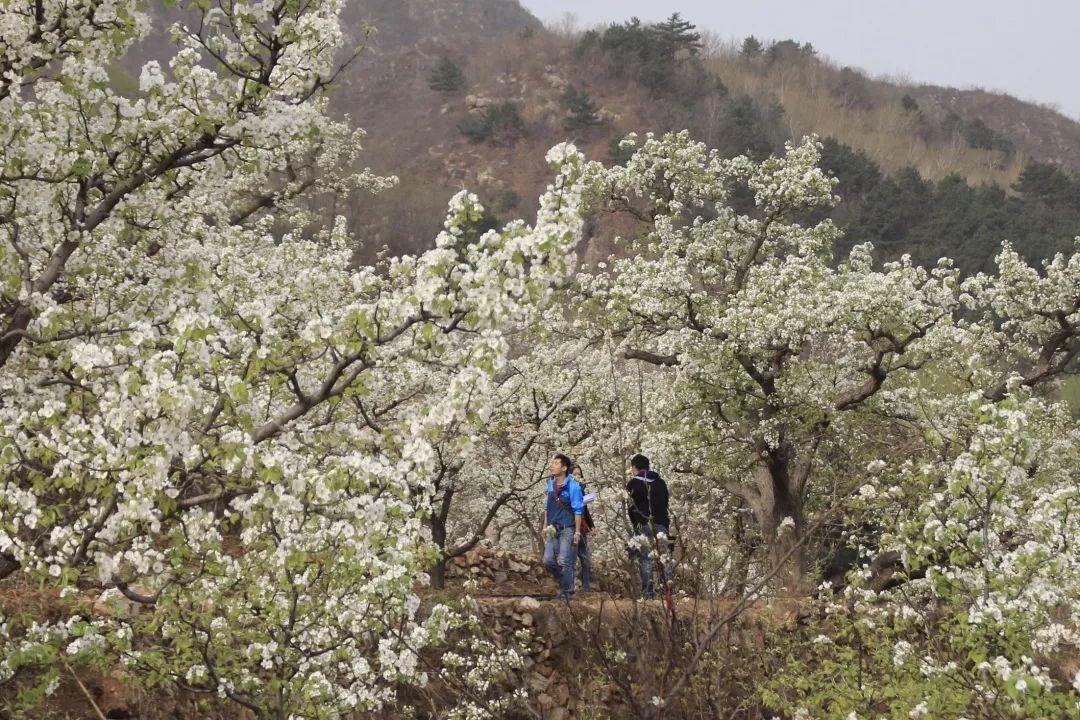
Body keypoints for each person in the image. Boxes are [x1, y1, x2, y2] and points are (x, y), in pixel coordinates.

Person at [540, 454, 585, 600]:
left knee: (564, 560)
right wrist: (545, 526)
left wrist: (577, 531)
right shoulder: (551, 485)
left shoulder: (573, 487)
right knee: (547, 560)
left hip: (567, 527)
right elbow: (548, 507)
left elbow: (578, 510)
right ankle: (566, 581)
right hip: (553, 528)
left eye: (556, 463)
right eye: (552, 463)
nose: (553, 466)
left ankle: (567, 593)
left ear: (564, 468)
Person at [626, 454, 670, 599]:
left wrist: (636, 526)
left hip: (643, 523)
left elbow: (631, 508)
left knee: (645, 558)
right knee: (664, 557)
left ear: (634, 467)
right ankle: (668, 591)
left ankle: (648, 593)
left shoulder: (633, 483)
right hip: (661, 522)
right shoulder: (660, 482)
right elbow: (665, 502)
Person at [571, 464, 594, 593]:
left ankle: (586, 587)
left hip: (583, 527)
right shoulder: (567, 489)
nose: (577, 477)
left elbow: (585, 510)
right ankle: (572, 585)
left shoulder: (582, 489)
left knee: (585, 558)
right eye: (575, 474)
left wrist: (592, 526)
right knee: (572, 556)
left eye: (579, 474)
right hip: (572, 526)